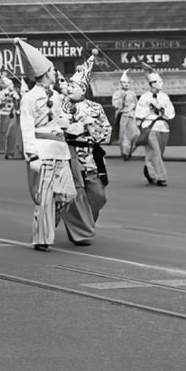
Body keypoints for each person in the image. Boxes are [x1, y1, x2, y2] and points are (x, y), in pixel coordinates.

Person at [16, 39, 76, 252]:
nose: (55, 73)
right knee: (44, 198)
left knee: (68, 194)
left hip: (61, 150)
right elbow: (26, 127)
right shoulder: (29, 99)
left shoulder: (57, 96)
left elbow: (62, 119)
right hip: (43, 151)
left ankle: (48, 223)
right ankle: (42, 238)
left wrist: (68, 124)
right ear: (46, 73)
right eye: (52, 70)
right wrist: (32, 155)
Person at [57, 59, 112, 246]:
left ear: (83, 89)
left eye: (74, 85)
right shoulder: (59, 105)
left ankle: (85, 224)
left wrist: (87, 127)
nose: (70, 88)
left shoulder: (96, 108)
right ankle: (78, 230)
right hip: (67, 157)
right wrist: (69, 128)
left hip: (89, 158)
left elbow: (107, 132)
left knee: (98, 196)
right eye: (69, 84)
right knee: (70, 196)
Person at [132, 72, 175, 187]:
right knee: (155, 152)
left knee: (158, 153)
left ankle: (149, 170)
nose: (162, 83)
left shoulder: (164, 96)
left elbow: (171, 113)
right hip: (150, 127)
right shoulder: (144, 97)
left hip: (163, 128)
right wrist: (151, 109)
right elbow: (139, 113)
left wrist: (163, 111)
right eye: (159, 81)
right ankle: (162, 177)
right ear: (153, 84)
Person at [110, 71, 139, 161]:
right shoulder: (117, 93)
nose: (126, 85)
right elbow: (115, 105)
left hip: (132, 115)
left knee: (136, 134)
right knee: (124, 135)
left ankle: (130, 149)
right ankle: (125, 152)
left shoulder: (132, 93)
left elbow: (136, 103)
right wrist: (121, 99)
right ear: (121, 84)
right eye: (124, 83)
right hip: (123, 116)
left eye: (128, 83)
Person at [0, 75, 22, 159]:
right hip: (4, 113)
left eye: (12, 84)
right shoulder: (1, 93)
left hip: (12, 113)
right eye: (10, 85)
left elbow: (18, 101)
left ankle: (12, 149)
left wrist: (15, 99)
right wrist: (4, 98)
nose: (11, 86)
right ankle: (4, 147)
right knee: (5, 131)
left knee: (12, 132)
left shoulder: (14, 93)